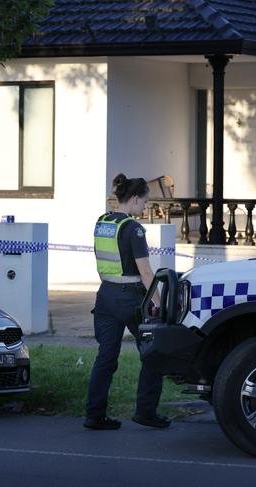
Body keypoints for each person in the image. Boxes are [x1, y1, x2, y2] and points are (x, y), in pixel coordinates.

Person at [84, 173, 170, 431]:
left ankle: (94, 416)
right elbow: (146, 273)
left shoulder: (103, 223)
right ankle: (145, 412)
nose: (145, 209)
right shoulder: (133, 229)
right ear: (133, 200)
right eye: (144, 203)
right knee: (154, 355)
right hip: (131, 298)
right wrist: (158, 304)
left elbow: (102, 263)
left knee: (106, 357)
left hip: (105, 296)